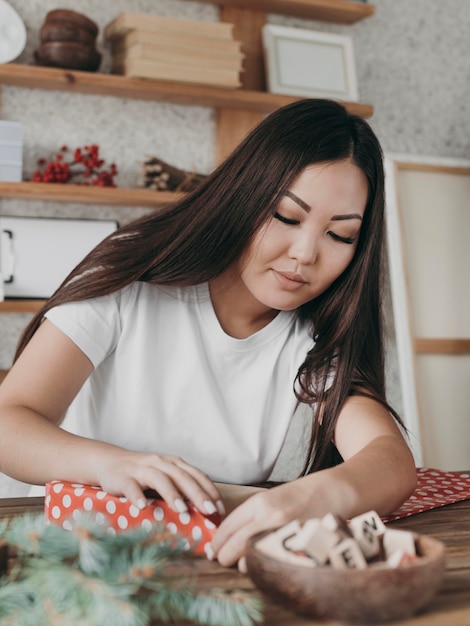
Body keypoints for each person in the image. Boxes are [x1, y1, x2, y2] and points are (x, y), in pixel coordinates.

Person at [0, 99, 416, 569]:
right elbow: (9, 422)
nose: (305, 254)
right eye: (286, 216)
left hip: (207, 564)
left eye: (339, 236)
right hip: (72, 559)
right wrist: (112, 465)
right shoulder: (133, 276)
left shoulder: (315, 336)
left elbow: (390, 460)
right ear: (246, 195)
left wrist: (308, 499)